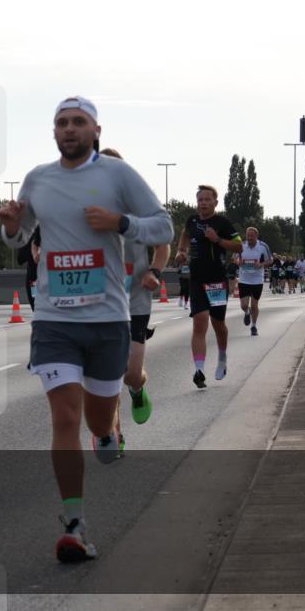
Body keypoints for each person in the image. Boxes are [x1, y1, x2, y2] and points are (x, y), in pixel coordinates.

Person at [0, 96, 172, 562]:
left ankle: (110, 433)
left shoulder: (117, 176)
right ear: (54, 132)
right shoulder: (39, 179)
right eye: (61, 123)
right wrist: (11, 227)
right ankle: (74, 524)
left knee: (98, 426)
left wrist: (121, 223)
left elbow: (164, 227)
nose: (69, 129)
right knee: (65, 419)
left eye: (78, 122)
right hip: (54, 318)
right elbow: (20, 236)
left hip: (108, 318)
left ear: (96, 131)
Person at [99, 147, 169, 454]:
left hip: (137, 299)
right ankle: (115, 435)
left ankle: (138, 387)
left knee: (129, 372)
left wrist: (153, 271)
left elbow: (162, 246)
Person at [172, 185, 243, 389]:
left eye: (207, 200)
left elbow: (239, 245)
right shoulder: (192, 220)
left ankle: (221, 357)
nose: (203, 203)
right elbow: (185, 234)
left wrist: (218, 240)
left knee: (218, 324)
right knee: (199, 322)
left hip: (217, 281)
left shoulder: (222, 222)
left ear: (215, 202)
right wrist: (181, 251)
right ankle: (199, 370)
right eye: (200, 200)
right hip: (197, 279)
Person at [237, 227, 271, 336]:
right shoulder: (241, 246)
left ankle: (254, 326)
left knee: (254, 305)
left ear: (256, 236)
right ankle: (247, 312)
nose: (250, 238)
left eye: (252, 236)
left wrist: (261, 264)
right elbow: (234, 258)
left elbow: (270, 260)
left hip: (257, 280)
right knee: (244, 305)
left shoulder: (263, 246)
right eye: (248, 236)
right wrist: (239, 262)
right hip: (244, 279)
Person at [18, 227, 42, 311]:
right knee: (36, 307)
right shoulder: (29, 235)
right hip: (34, 278)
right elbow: (20, 258)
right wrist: (33, 252)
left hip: (52, 277)